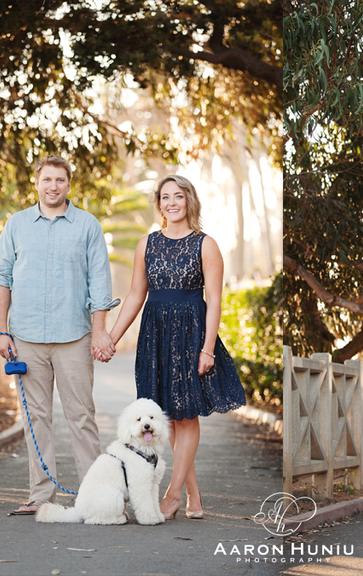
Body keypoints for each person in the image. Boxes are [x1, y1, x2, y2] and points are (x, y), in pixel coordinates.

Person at [100, 174, 245, 520]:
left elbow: (215, 301)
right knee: (166, 418)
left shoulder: (205, 245)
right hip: (155, 335)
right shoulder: (146, 244)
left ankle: (174, 493)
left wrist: (207, 349)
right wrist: (111, 337)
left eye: (177, 196)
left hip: (191, 335)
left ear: (189, 201)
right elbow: (136, 295)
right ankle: (194, 497)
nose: (171, 203)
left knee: (186, 415)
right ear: (159, 204)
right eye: (165, 197)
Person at [0, 155, 116, 515]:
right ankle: (41, 496)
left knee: (81, 417)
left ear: (69, 185)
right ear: (36, 183)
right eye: (47, 180)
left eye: (60, 180)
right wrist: (1, 331)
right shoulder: (16, 225)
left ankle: (96, 499)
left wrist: (98, 332)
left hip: (74, 336)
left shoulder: (88, 226)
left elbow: (100, 284)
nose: (53, 186)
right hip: (26, 337)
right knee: (36, 419)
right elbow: (1, 277)